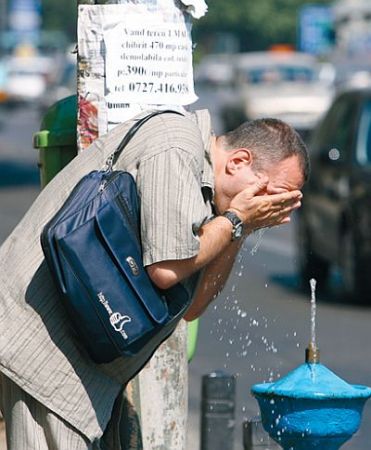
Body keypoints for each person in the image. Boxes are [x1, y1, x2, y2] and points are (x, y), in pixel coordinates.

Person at [0, 109, 308, 449]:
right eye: (273, 194)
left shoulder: (215, 201)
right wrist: (236, 220)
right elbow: (166, 270)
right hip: (45, 351)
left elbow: (193, 307)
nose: (272, 209)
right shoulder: (176, 144)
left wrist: (241, 226)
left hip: (80, 363)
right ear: (238, 161)